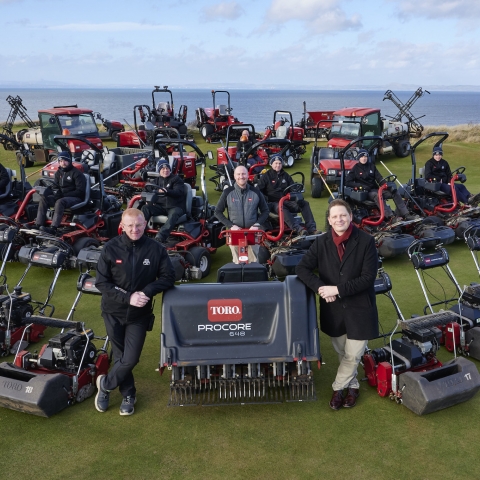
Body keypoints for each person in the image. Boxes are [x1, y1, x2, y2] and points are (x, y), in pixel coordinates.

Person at [296, 199, 378, 410]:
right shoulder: (321, 242)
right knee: (343, 353)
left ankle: (338, 388)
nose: (339, 219)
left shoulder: (367, 241)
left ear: (350, 217)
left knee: (353, 354)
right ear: (330, 221)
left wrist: (337, 290)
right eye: (334, 216)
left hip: (360, 309)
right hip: (333, 311)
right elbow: (302, 269)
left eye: (343, 215)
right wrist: (321, 288)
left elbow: (368, 278)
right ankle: (353, 387)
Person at [95, 208, 175, 416]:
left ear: (146, 223)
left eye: (139, 225)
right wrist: (128, 297)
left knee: (130, 359)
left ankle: (105, 385)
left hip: (139, 316)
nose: (135, 229)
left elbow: (168, 277)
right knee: (121, 356)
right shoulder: (110, 249)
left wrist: (147, 291)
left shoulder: (156, 249)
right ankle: (129, 394)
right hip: (113, 312)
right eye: (130, 225)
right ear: (122, 225)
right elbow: (102, 283)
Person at [214, 165, 270, 263]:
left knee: (253, 261)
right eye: (238, 174)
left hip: (253, 233)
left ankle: (252, 276)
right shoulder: (227, 192)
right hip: (234, 233)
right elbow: (217, 212)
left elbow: (265, 211)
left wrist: (257, 225)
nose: (241, 176)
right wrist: (230, 226)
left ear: (248, 175)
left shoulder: (256, 192)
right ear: (234, 176)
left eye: (244, 174)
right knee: (237, 261)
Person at [345, 149, 414, 221]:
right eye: (362, 157)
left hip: (376, 189)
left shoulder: (371, 166)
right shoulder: (355, 169)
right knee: (377, 195)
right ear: (359, 158)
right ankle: (391, 217)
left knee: (394, 192)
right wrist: (361, 186)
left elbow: (379, 178)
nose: (364, 158)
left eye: (365, 157)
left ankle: (406, 214)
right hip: (366, 192)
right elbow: (348, 182)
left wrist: (385, 185)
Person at [257, 154, 317, 235]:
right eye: (276, 163)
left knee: (304, 203)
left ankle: (312, 228)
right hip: (272, 203)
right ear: (271, 164)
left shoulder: (286, 176)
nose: (278, 165)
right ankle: (297, 229)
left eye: (279, 163)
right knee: (281, 207)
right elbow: (258, 190)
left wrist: (296, 191)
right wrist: (265, 199)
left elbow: (292, 187)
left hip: (285, 200)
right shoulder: (266, 176)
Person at [35, 150, 86, 235]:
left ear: (69, 161)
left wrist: (63, 195)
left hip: (75, 198)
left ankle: (54, 228)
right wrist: (55, 193)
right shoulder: (58, 173)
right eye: (61, 161)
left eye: (65, 161)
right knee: (44, 199)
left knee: (60, 202)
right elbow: (55, 186)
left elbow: (80, 191)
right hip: (62, 196)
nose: (63, 163)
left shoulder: (77, 174)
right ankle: (38, 224)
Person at [140, 159, 186, 244]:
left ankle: (160, 237)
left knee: (174, 214)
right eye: (163, 169)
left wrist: (167, 191)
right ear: (159, 170)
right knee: (145, 208)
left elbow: (178, 192)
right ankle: (141, 232)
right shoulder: (156, 181)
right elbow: (147, 189)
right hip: (160, 207)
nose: (165, 170)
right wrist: (147, 200)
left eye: (167, 168)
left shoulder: (176, 180)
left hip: (175, 206)